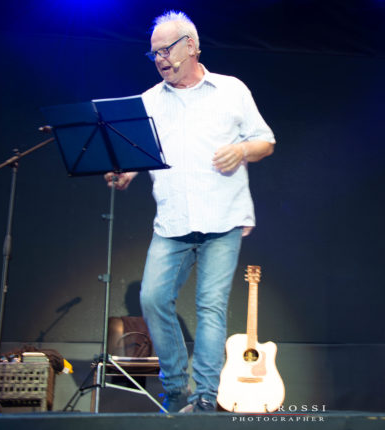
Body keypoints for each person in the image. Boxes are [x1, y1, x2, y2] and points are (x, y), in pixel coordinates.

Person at [104, 10, 275, 413]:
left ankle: (204, 398)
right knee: (152, 298)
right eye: (153, 54)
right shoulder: (148, 100)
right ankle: (176, 386)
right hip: (173, 221)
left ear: (192, 46)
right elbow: (141, 154)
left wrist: (242, 149)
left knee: (210, 307)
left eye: (166, 50)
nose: (161, 59)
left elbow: (265, 141)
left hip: (223, 218)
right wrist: (126, 172)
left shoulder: (231, 90)